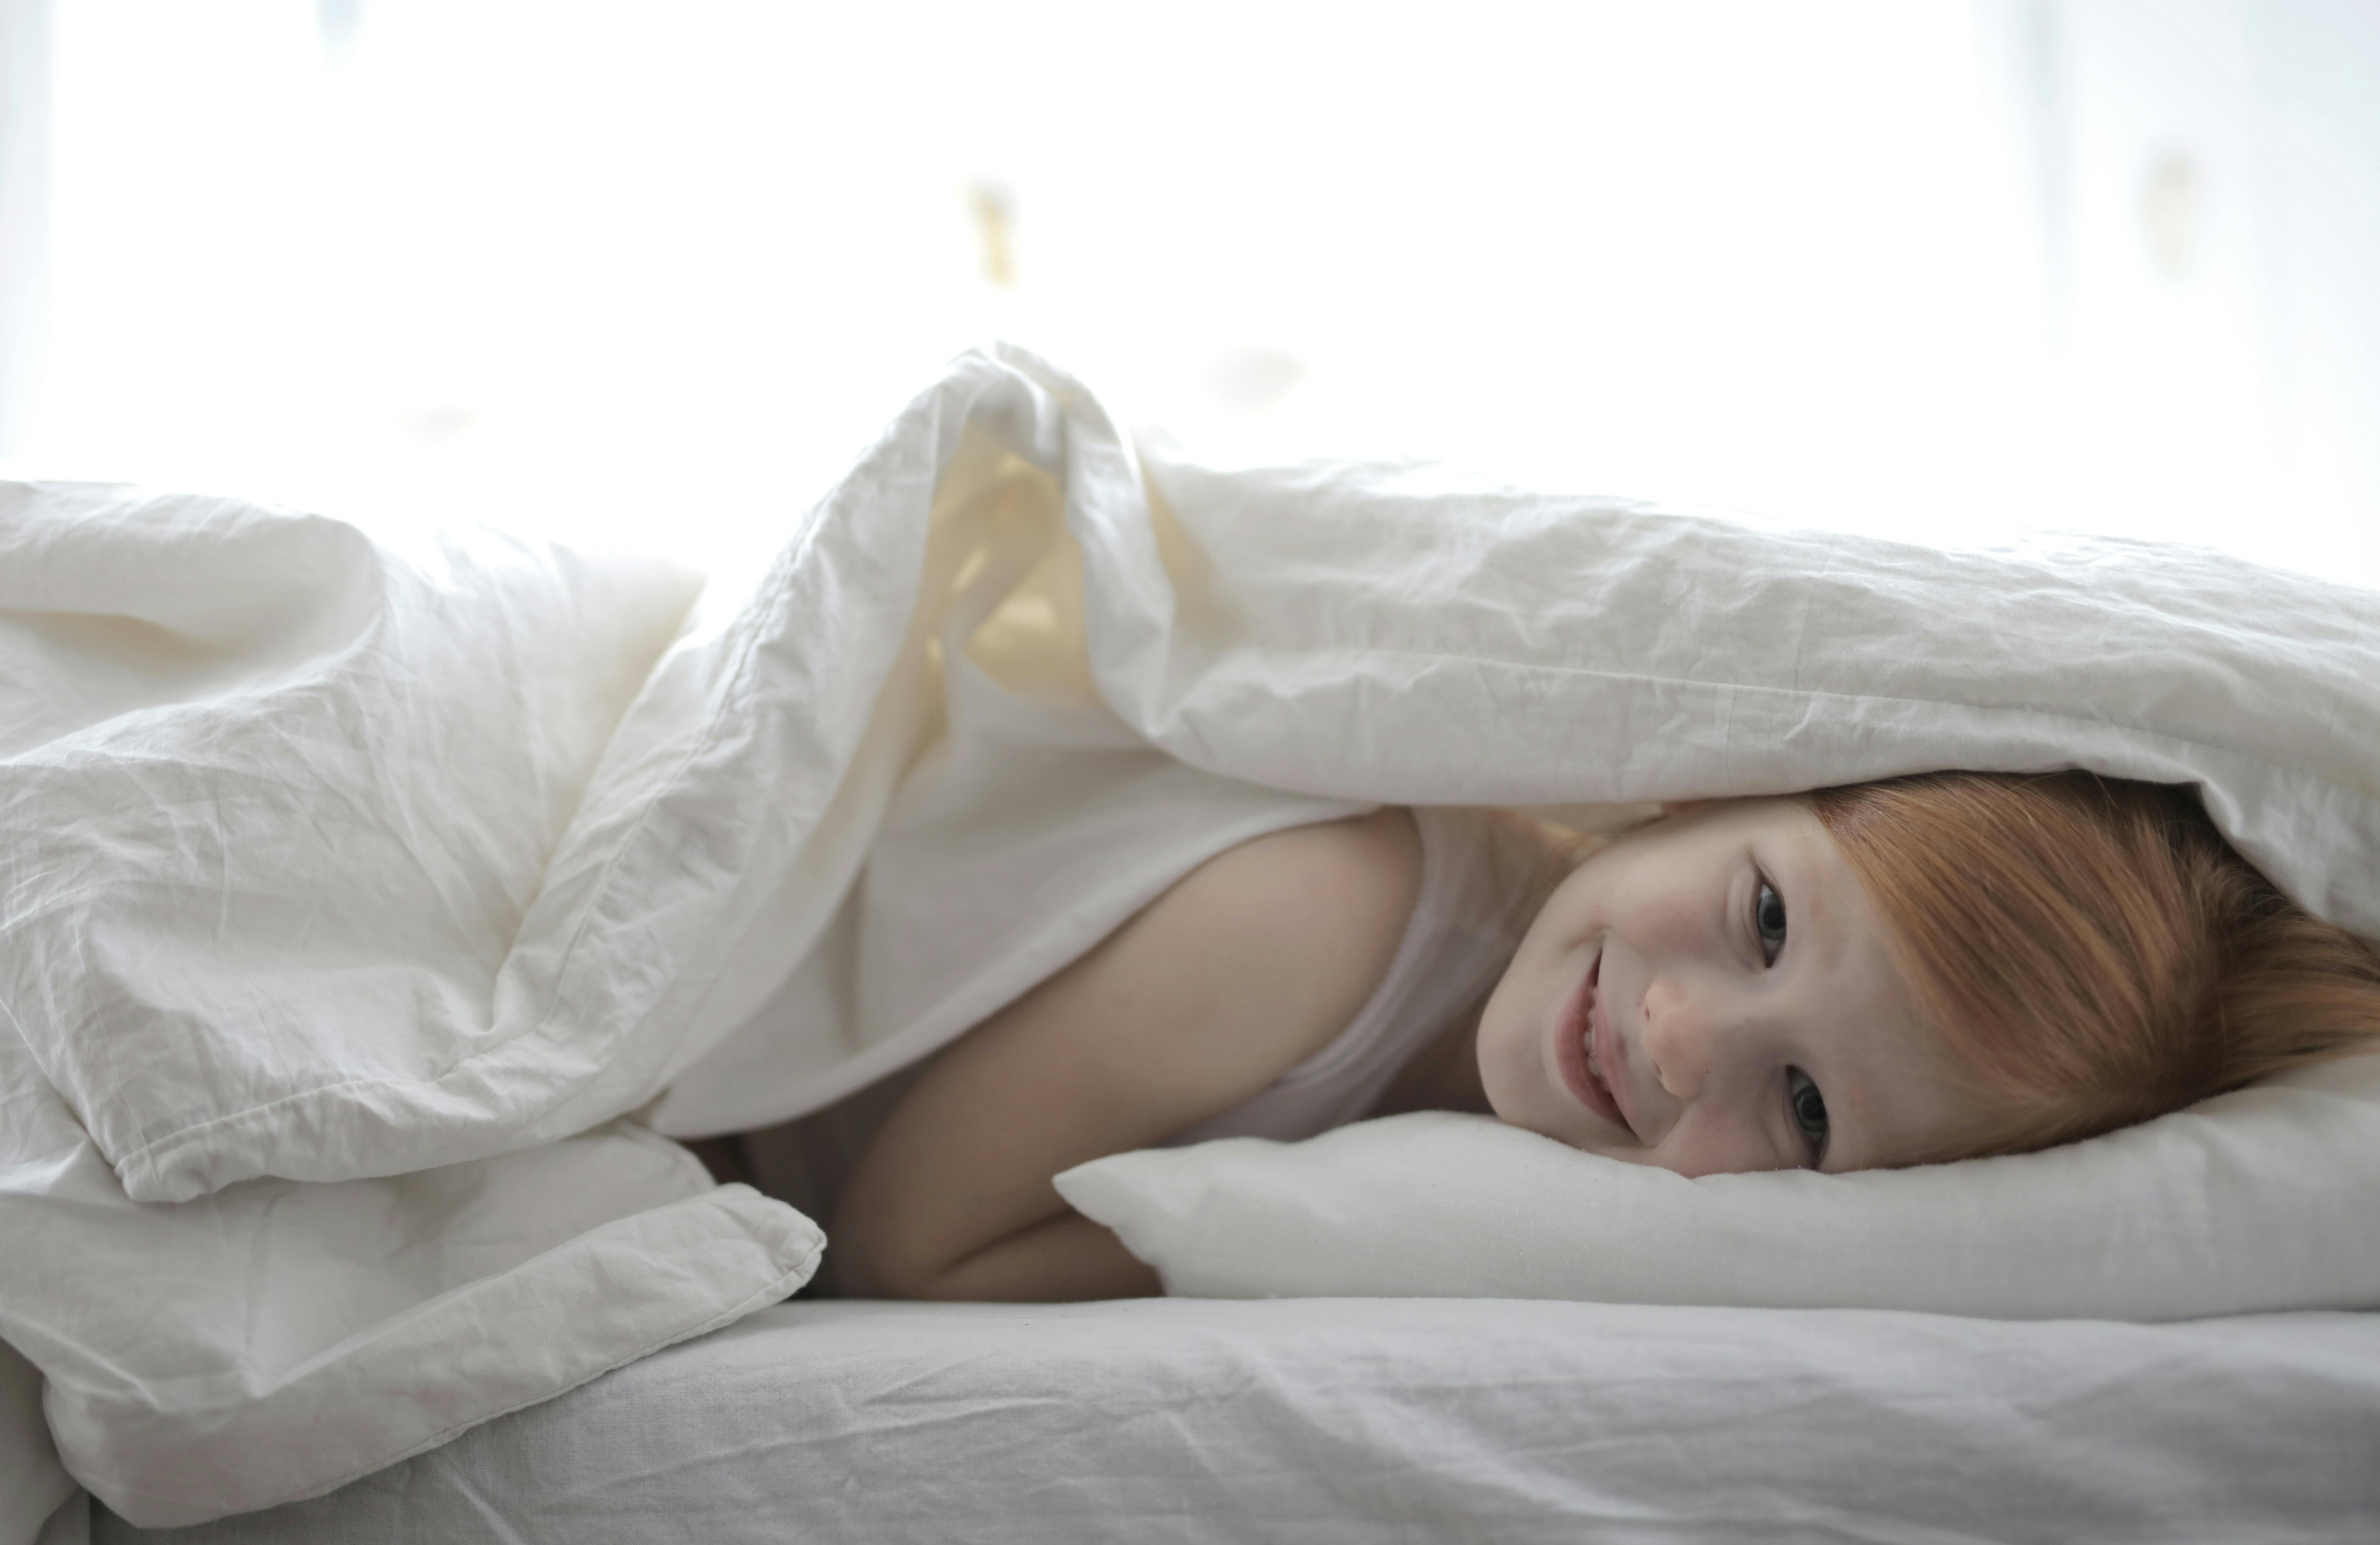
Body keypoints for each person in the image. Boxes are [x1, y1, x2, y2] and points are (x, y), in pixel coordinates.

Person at [720, 770, 2380, 1302]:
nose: (1673, 1041)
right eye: (1766, 920)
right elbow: (897, 1252)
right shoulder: (1331, 912)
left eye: (1800, 1108)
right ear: (1737, 790)